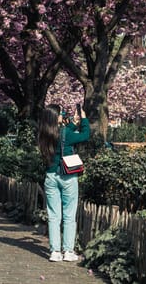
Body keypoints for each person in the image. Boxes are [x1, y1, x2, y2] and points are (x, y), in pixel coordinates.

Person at [38, 104, 90, 262]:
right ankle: (68, 251)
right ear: (56, 117)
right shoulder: (65, 132)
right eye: (60, 113)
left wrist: (74, 122)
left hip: (51, 176)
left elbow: (64, 133)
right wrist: (84, 119)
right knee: (69, 215)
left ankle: (55, 252)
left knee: (53, 216)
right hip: (67, 177)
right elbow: (85, 135)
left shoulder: (43, 134)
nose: (63, 115)